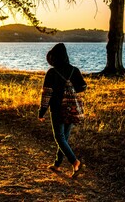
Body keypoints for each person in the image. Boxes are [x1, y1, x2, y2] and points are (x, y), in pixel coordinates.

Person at [38, 43, 87, 177]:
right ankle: (57, 165)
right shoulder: (74, 70)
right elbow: (82, 87)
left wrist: (42, 111)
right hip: (71, 108)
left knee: (59, 137)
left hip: (57, 109)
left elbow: (46, 94)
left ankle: (75, 162)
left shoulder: (52, 72)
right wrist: (71, 88)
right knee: (64, 137)